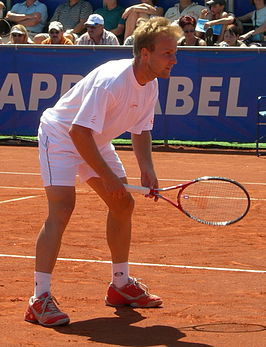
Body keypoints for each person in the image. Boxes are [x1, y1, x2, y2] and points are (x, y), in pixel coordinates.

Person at [24, 16, 181, 328]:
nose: (173, 60)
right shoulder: (112, 81)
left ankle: (120, 285)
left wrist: (147, 169)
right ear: (145, 54)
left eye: (176, 53)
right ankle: (39, 299)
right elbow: (77, 133)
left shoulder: (149, 85)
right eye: (168, 53)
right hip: (62, 135)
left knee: (123, 203)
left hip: (94, 138)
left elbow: (141, 131)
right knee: (62, 208)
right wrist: (108, 177)